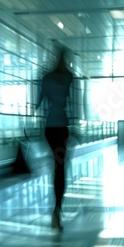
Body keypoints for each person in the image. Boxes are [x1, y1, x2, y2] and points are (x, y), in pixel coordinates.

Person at [36, 49, 73, 231]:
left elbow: (38, 104)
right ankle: (57, 209)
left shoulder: (47, 77)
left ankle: (56, 210)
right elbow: (73, 104)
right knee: (61, 168)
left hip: (49, 128)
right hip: (62, 127)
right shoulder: (68, 77)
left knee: (56, 166)